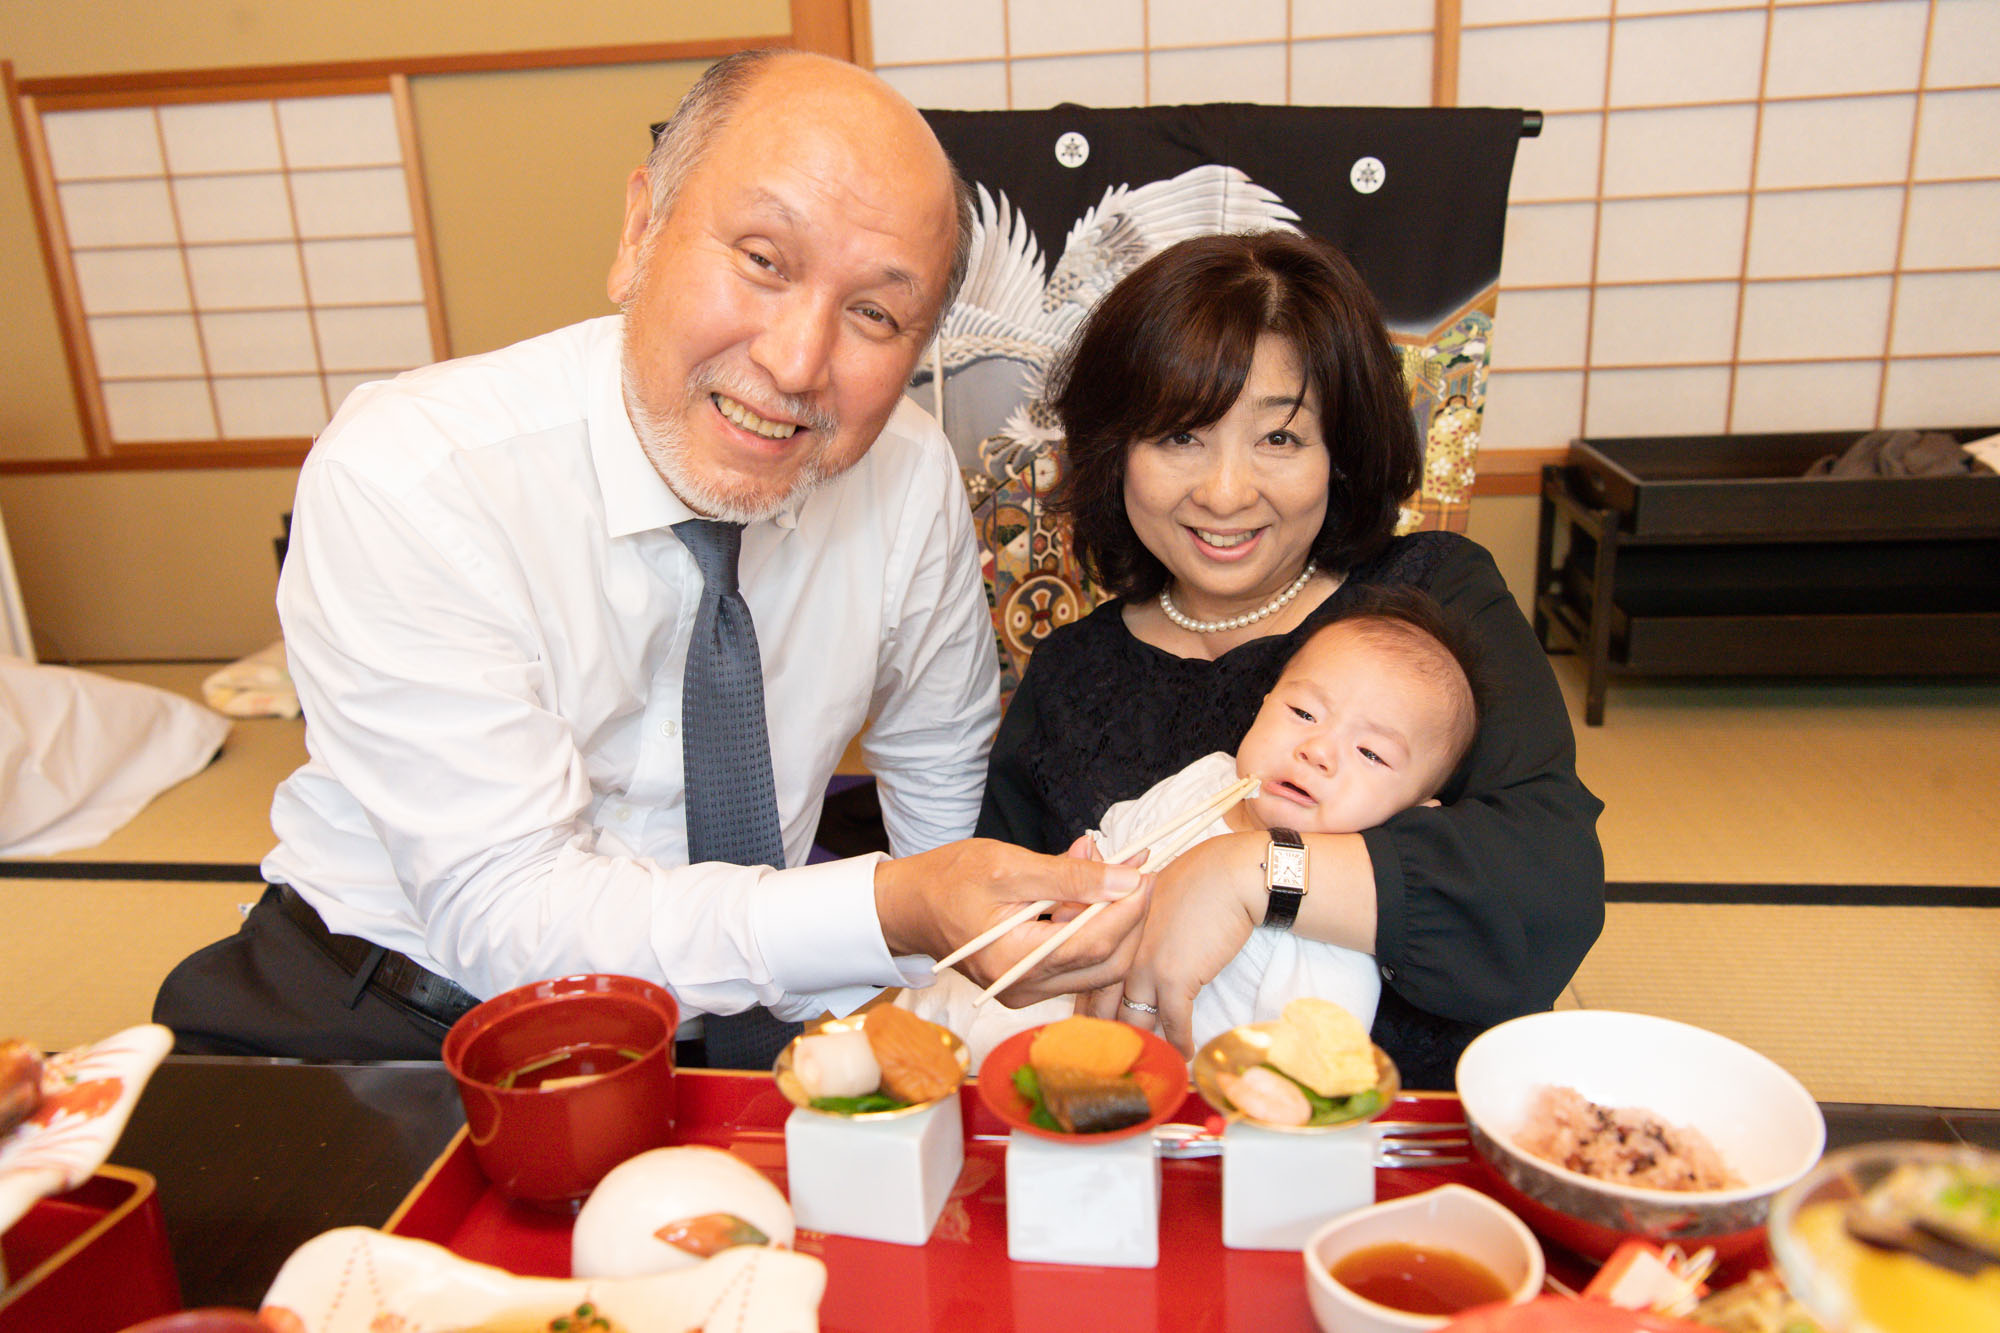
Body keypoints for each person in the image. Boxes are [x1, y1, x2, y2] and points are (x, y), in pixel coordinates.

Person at [152, 50, 1150, 1066]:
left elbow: (936, 782)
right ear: (640, 231)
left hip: (749, 1023)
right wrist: (896, 905)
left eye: (874, 315)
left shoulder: (905, 475)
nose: (795, 363)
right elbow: (509, 918)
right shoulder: (415, 472)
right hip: (400, 1012)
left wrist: (956, 989)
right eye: (762, 259)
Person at [977, 230, 1606, 1088]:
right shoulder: (1070, 674)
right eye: (1180, 437)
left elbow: (1548, 889)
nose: (1227, 491)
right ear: (1114, 449)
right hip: (1130, 1142)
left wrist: (1252, 871)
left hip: (1408, 1147)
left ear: (1340, 452)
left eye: (1279, 439)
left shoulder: (1432, 602)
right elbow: (1005, 939)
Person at [907, 584, 1485, 1064]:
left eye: (1371, 754)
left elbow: (1315, 1061)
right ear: (1263, 705)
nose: (1318, 751)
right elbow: (1122, 834)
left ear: (1415, 820)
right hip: (1035, 994)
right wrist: (1077, 877)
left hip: (1163, 1092)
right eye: (1303, 713)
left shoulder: (1331, 927)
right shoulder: (1211, 777)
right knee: (929, 1007)